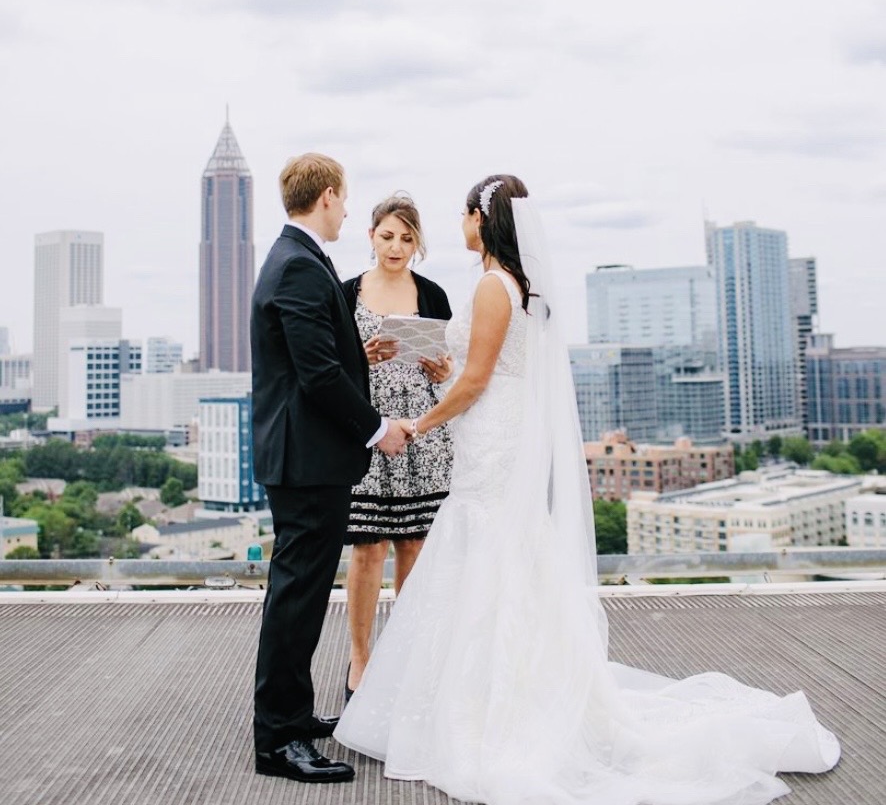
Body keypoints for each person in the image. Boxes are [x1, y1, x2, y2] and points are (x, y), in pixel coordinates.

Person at [335, 175, 840, 805]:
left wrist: (419, 420)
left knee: (487, 552)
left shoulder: (494, 286)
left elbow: (475, 384)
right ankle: (496, 687)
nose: (459, 223)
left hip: (489, 433)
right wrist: (444, 375)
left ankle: (489, 707)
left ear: (481, 220)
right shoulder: (516, 286)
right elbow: (481, 373)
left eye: (465, 214)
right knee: (501, 557)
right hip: (497, 430)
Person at [250, 152, 408, 785]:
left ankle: (290, 716)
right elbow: (315, 377)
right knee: (296, 600)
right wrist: (377, 429)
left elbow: (313, 356)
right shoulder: (299, 267)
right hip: (306, 461)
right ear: (328, 196)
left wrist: (356, 350)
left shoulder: (299, 260)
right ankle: (280, 739)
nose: (347, 210)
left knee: (305, 595)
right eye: (345, 201)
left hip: (306, 458)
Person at [341, 192, 454, 702]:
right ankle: (360, 659)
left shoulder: (432, 294)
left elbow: (450, 368)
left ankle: (405, 659)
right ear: (370, 236)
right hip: (367, 432)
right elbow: (331, 374)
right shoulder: (344, 295)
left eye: (407, 238)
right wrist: (359, 357)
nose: (396, 246)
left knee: (414, 546)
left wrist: (442, 370)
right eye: (388, 236)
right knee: (367, 549)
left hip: (422, 432)